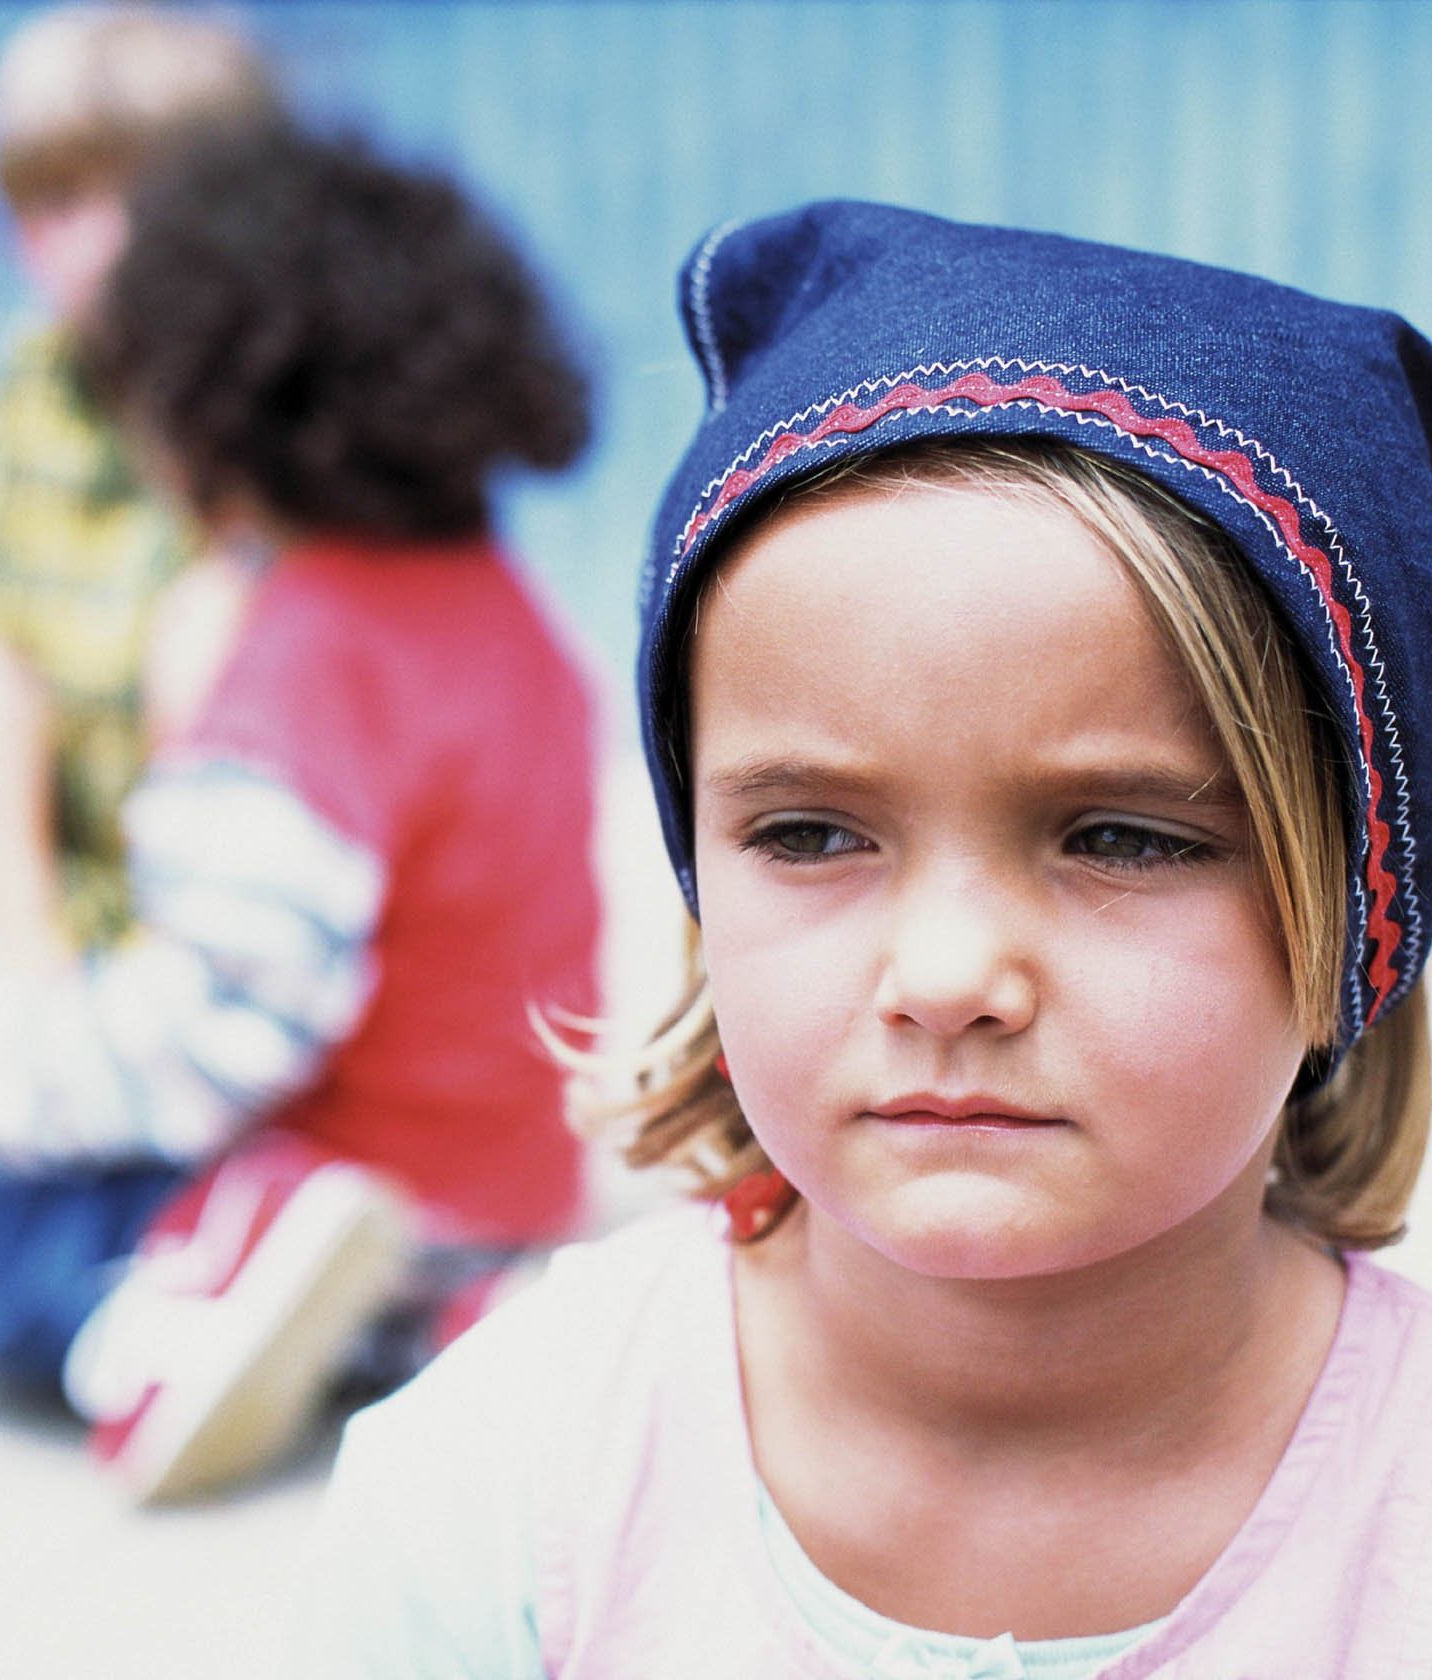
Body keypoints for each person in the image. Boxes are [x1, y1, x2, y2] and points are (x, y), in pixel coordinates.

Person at [301, 200, 1432, 1674]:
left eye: (1127, 838)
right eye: (813, 835)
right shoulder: (506, 1490)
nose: (951, 977)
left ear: (1362, 907)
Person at [0, 124, 601, 1501]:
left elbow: (213, 1034)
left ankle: (188, 1310)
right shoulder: (500, 605)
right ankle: (435, 1320)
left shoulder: (304, 659)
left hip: (352, 1175)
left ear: (205, 406)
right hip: (514, 1177)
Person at [0, 3, 276, 955]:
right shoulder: (29, 386)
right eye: (55, 203)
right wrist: (23, 940)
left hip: (259, 914)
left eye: (141, 196)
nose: (100, 245)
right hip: (75, 919)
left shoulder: (287, 394)